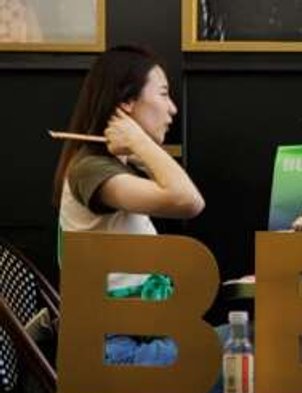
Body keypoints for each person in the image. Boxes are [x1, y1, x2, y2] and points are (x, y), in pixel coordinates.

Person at [52, 44, 205, 367]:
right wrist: (138, 142)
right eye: (163, 94)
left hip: (136, 339)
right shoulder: (91, 169)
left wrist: (138, 150)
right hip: (117, 351)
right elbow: (189, 201)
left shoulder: (111, 166)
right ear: (126, 103)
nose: (172, 109)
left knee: (251, 344)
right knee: (253, 354)